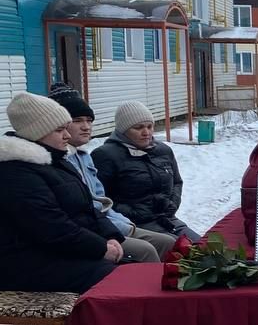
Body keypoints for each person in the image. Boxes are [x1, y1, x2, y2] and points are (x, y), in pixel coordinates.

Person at [0, 92, 126, 293]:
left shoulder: (56, 161)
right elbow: (51, 227)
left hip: (64, 251)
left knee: (134, 272)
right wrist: (100, 248)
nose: (68, 136)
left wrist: (109, 236)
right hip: (27, 264)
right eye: (59, 130)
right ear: (36, 132)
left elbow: (88, 207)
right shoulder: (16, 171)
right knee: (118, 282)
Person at [49, 89, 176, 263]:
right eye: (77, 121)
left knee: (173, 244)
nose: (86, 127)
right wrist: (127, 223)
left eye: (89, 120)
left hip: (131, 220)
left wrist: (127, 224)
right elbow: (86, 209)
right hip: (98, 229)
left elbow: (102, 202)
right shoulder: (99, 156)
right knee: (147, 250)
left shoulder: (83, 157)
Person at [92, 101, 200, 242]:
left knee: (204, 246)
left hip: (167, 219)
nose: (146, 132)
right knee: (176, 252)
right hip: (134, 225)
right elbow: (100, 198)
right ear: (123, 130)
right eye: (138, 128)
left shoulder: (163, 151)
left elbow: (177, 182)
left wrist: (171, 204)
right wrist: (134, 212)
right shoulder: (105, 155)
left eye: (150, 126)